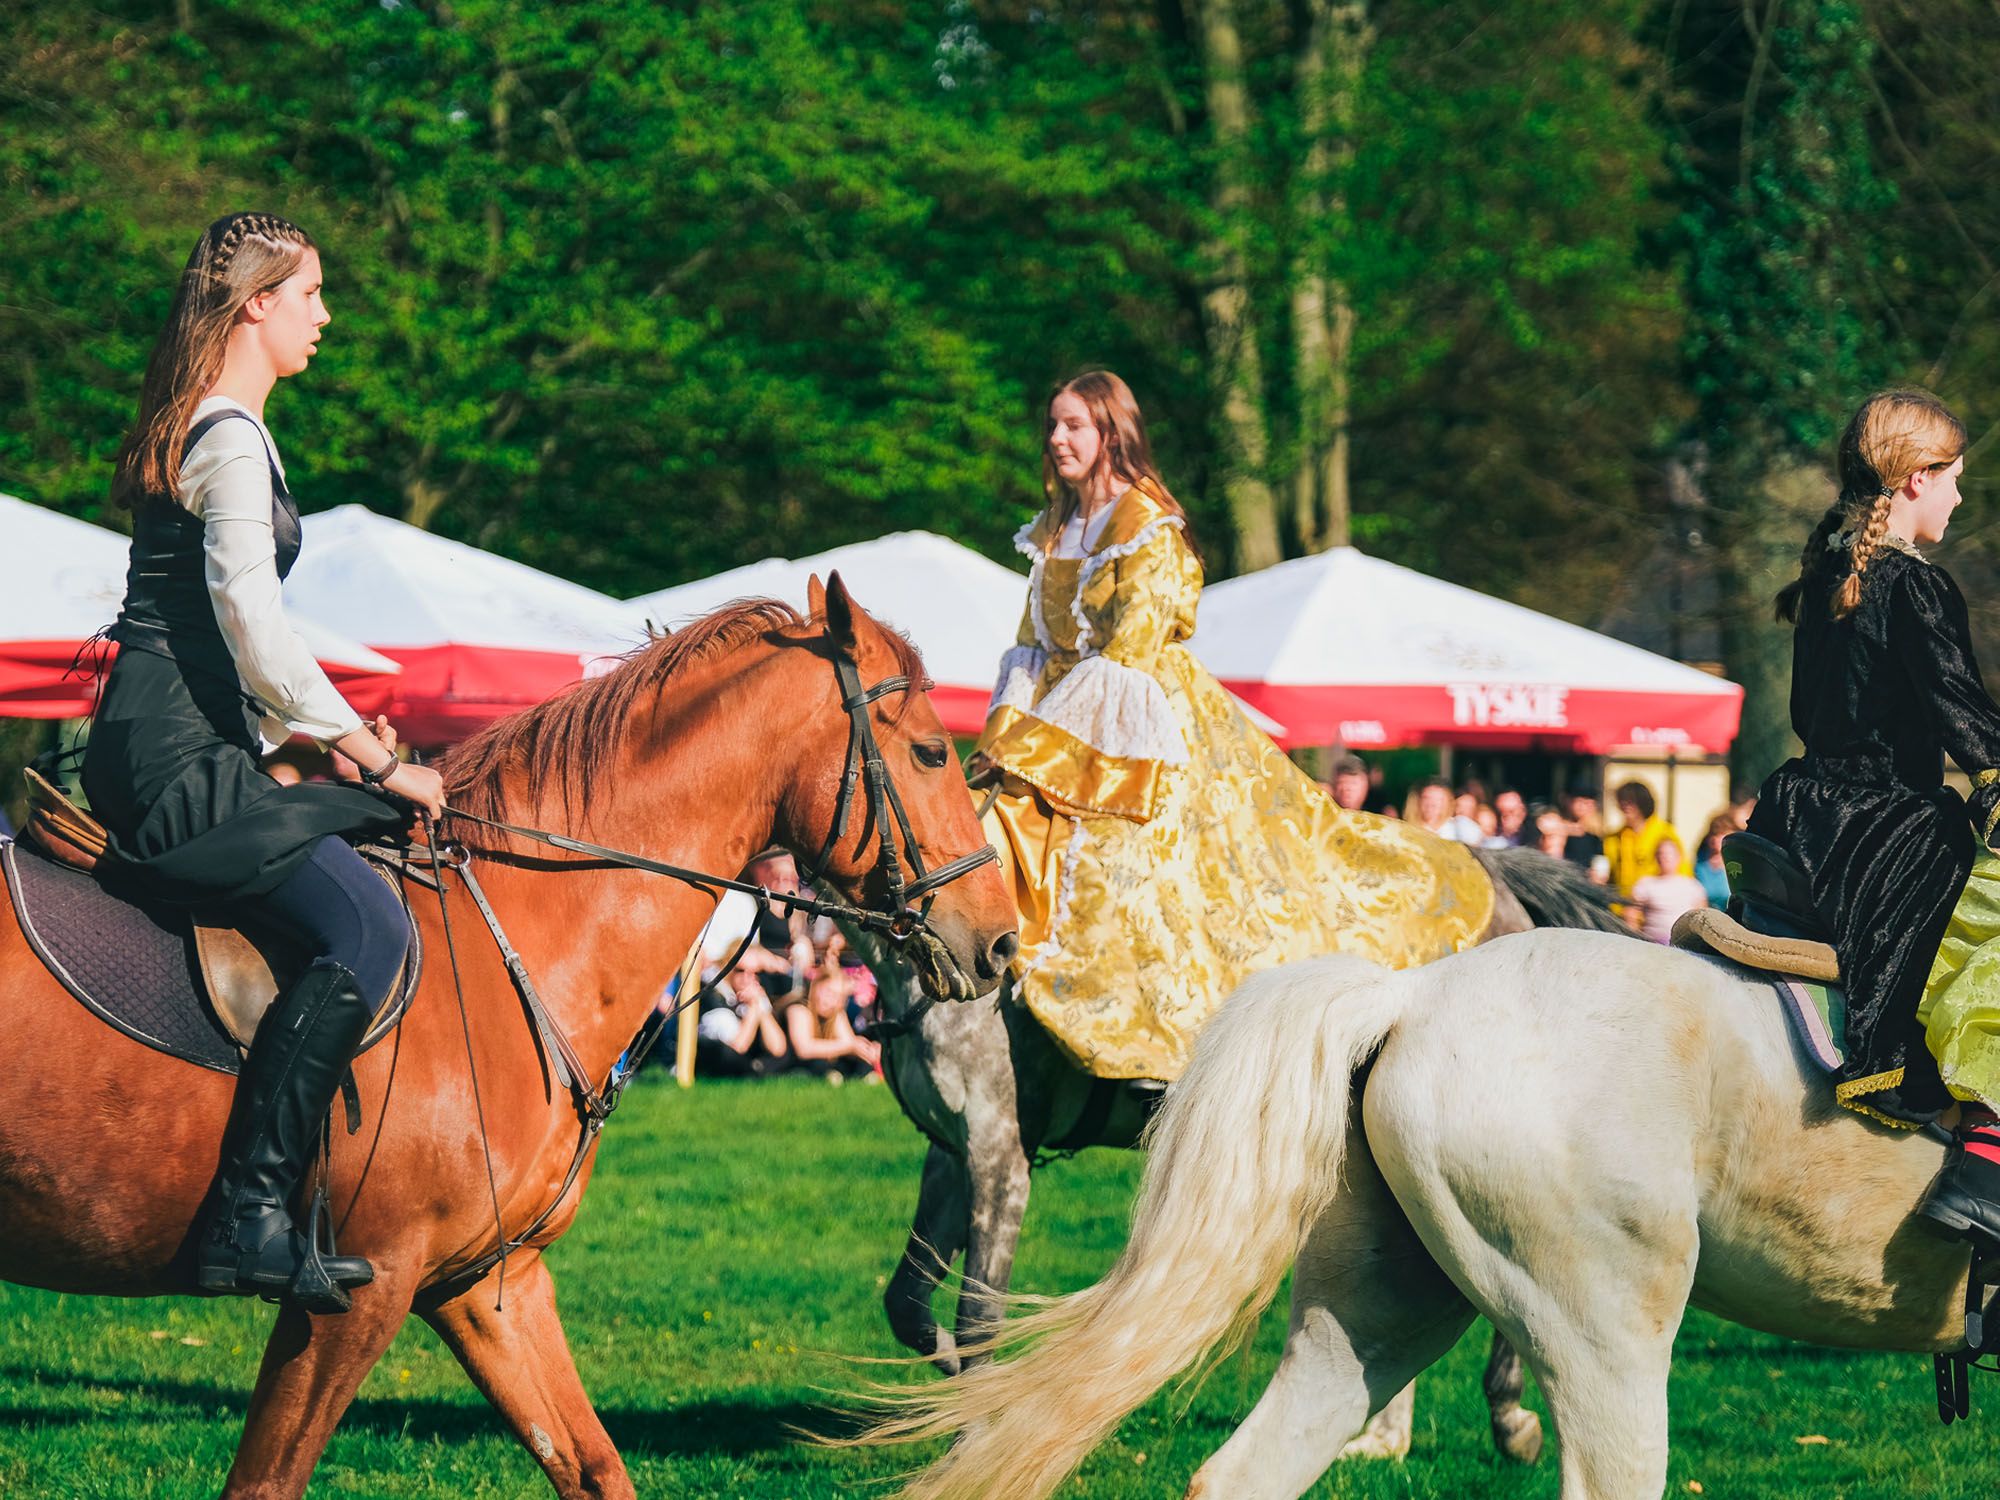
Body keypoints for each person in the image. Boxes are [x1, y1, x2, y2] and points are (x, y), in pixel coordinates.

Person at [81, 214, 446, 1308]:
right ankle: (248, 1216)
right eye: (311, 294)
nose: (324, 316)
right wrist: (373, 763)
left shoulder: (211, 423)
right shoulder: (230, 434)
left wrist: (326, 740)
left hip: (180, 740)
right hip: (176, 759)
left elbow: (237, 642)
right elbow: (251, 621)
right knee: (370, 925)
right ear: (256, 303)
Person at [967, 369, 1493, 1079]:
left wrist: (1039, 747)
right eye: (1054, 425)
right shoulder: (1053, 532)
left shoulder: (1144, 526)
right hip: (1061, 723)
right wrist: (1006, 739)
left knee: (1148, 874)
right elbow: (1031, 646)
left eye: (1074, 425)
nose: (1057, 438)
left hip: (1136, 723)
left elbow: (1131, 652)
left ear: (1110, 434)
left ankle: (1176, 1045)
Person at [1744, 388, 2000, 1242]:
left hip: (1805, 810)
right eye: (1954, 479)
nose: (1961, 497)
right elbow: (1965, 716)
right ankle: (1989, 1160)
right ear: (1916, 478)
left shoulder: (1826, 573)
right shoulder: (1916, 588)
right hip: (1889, 828)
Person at [694, 965, 791, 1077]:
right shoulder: (716, 1002)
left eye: (755, 972)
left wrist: (760, 1004)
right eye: (740, 970)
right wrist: (754, 1006)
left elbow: (778, 1049)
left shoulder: (756, 1000)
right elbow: (737, 1048)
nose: (747, 977)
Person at [785, 969, 880, 1081]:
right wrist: (851, 1045)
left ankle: (865, 1076)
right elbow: (804, 1049)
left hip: (823, 1060)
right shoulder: (799, 1009)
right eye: (828, 992)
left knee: (858, 1063)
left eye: (839, 997)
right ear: (815, 987)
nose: (832, 1001)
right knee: (819, 1063)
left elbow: (847, 1042)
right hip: (794, 1063)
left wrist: (867, 1050)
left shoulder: (836, 1013)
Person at [1604, 781, 1688, 894]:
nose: (1625, 807)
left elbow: (1682, 870)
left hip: (1656, 905)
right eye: (1621, 802)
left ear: (1642, 803)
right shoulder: (1613, 839)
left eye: (1630, 802)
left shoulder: (1664, 833)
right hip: (1622, 907)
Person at [1626, 838, 1708, 944]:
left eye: (1669, 853)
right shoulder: (1645, 883)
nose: (1664, 857)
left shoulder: (1693, 885)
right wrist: (1635, 940)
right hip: (1652, 943)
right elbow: (1631, 914)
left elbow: (1703, 917)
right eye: (1660, 853)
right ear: (1655, 857)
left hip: (1684, 945)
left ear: (1679, 857)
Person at [1693, 812, 1735, 907]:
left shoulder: (1736, 863)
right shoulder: (1699, 863)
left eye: (1721, 834)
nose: (1715, 839)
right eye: (1713, 834)